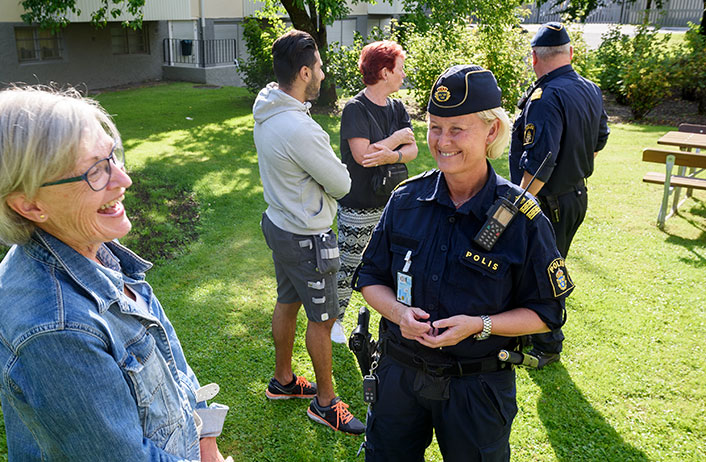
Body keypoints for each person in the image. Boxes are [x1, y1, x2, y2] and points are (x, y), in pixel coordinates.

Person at [354, 65, 571, 462]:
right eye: (435, 127)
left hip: (477, 386)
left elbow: (546, 312)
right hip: (399, 377)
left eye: (457, 129)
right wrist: (399, 313)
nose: (442, 141)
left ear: (491, 132)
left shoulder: (522, 217)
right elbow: (370, 277)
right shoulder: (406, 200)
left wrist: (480, 326)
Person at [0, 86, 230, 461]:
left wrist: (207, 445)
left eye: (113, 157)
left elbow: (176, 375)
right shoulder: (57, 327)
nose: (124, 181)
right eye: (94, 171)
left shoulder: (94, 250)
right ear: (29, 204)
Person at [252, 30, 365, 435]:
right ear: (303, 72)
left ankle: (283, 380)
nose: (322, 72)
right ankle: (324, 402)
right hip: (307, 236)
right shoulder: (299, 129)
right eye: (317, 66)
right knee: (324, 317)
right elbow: (343, 183)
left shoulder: (267, 105)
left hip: (279, 224)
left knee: (287, 300)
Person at [508, 22, 609, 367]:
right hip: (575, 195)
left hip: (546, 200)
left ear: (534, 58)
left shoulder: (545, 96)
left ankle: (548, 343)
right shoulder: (589, 88)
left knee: (542, 271)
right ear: (570, 54)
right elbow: (600, 139)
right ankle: (528, 332)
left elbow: (540, 162)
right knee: (550, 264)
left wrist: (517, 207)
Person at [333, 40, 418, 344]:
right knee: (349, 264)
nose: (404, 74)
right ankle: (335, 321)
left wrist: (390, 154)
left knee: (395, 264)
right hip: (359, 204)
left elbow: (413, 150)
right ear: (384, 72)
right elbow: (362, 156)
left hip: (392, 202)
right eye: (401, 68)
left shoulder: (396, 106)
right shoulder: (356, 109)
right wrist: (395, 140)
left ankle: (395, 319)